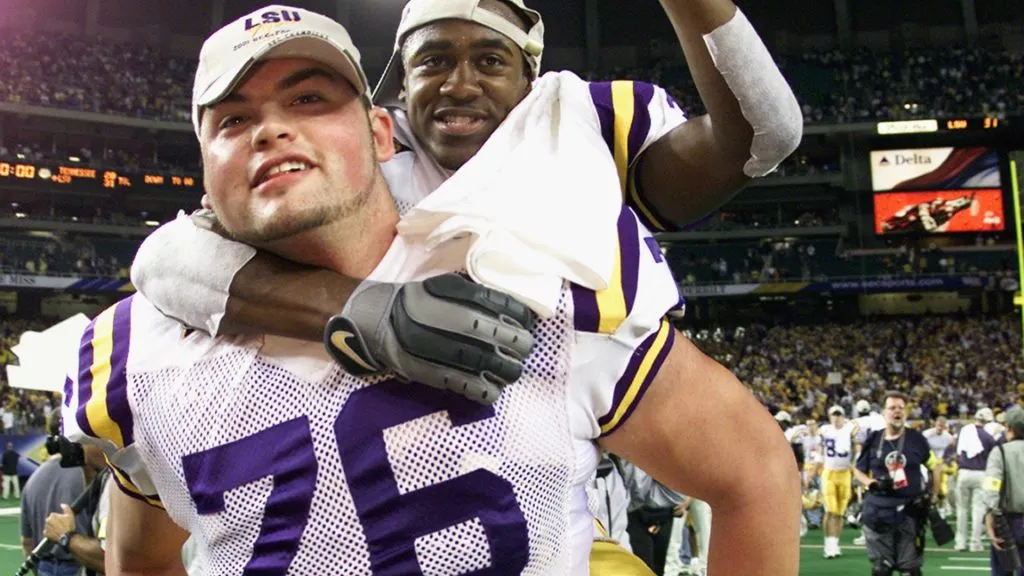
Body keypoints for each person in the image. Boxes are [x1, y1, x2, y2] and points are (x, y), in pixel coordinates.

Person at [65, 8, 800, 575]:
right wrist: (353, 310)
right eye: (234, 120)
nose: (271, 131)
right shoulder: (134, 350)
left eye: (311, 99)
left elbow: (754, 472)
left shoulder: (541, 261)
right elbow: (143, 552)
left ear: (376, 132)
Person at [129, 0, 803, 407]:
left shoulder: (579, 125)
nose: (459, 84)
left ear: (531, 80)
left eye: (489, 61)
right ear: (396, 87)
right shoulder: (363, 152)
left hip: (591, 426)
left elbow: (763, 134)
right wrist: (361, 312)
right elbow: (165, 259)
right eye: (432, 63)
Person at [853, 391, 941, 576]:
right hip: (878, 512)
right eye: (892, 408)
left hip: (910, 514)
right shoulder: (874, 439)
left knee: (910, 570)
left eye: (901, 408)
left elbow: (935, 466)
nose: (897, 411)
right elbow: (858, 470)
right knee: (881, 569)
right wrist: (871, 483)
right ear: (884, 412)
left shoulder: (917, 439)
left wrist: (932, 496)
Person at [983, 407, 1024, 575]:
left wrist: (989, 517)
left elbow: (991, 487)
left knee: (1002, 571)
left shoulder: (1000, 452)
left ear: (1009, 427)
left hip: (1007, 522)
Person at [955, 408, 998, 552]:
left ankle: (960, 543)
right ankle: (975, 543)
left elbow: (958, 452)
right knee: (978, 510)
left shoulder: (965, 432)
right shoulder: (988, 437)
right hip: (981, 473)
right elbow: (993, 457)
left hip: (964, 473)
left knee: (961, 510)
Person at [820, 405, 858, 559]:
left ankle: (835, 543)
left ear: (844, 417)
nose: (836, 418)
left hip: (845, 473)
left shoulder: (850, 430)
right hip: (829, 472)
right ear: (829, 417)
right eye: (833, 415)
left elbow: (857, 448)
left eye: (839, 415)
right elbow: (819, 447)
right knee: (831, 510)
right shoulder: (824, 430)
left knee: (840, 512)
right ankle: (828, 544)